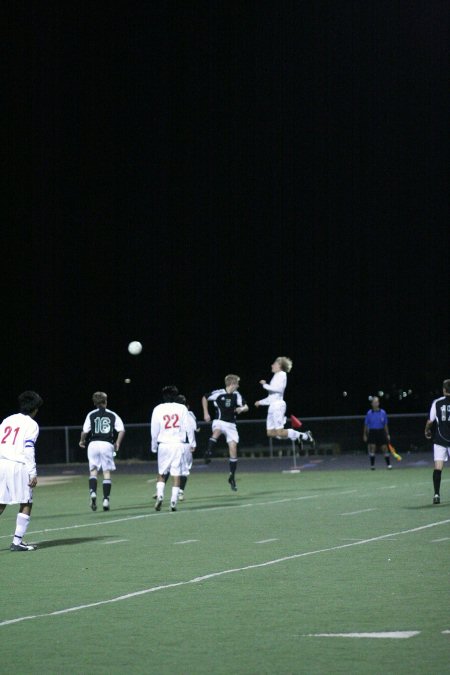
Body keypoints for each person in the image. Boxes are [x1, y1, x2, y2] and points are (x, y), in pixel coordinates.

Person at [0, 391, 43, 551]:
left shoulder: (7, 420)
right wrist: (33, 472)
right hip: (18, 465)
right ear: (35, 408)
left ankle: (18, 542)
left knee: (1, 502)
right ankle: (17, 542)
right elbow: (28, 448)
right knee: (26, 501)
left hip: (1, 463)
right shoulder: (32, 424)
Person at [79, 392, 125, 512]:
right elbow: (121, 430)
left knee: (93, 472)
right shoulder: (112, 414)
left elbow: (84, 431)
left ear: (94, 403)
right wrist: (118, 443)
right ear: (106, 401)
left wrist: (82, 441)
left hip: (93, 444)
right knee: (106, 473)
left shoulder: (91, 414)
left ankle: (93, 493)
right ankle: (106, 500)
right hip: (106, 444)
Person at [151, 386, 195, 512]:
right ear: (175, 396)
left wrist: (154, 446)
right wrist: (192, 443)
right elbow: (189, 427)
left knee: (162, 473)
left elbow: (154, 429)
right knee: (176, 473)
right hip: (178, 444)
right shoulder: (181, 408)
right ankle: (173, 501)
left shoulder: (158, 409)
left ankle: (160, 495)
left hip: (164, 444)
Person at [202, 374, 249, 491]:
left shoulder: (237, 395)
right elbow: (204, 398)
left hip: (231, 425)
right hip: (219, 421)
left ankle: (231, 476)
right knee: (217, 431)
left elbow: (246, 406)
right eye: (237, 383)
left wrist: (241, 409)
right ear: (232, 384)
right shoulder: (219, 393)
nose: (238, 385)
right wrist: (206, 413)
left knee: (233, 449)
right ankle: (208, 452)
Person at [254, 357, 314, 446]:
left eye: (274, 364)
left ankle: (305, 435)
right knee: (270, 433)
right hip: (272, 406)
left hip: (278, 406)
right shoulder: (275, 377)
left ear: (280, 366)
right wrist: (260, 402)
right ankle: (295, 437)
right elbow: (272, 397)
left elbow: (279, 389)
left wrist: (264, 385)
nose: (272, 365)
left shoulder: (282, 374)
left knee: (280, 432)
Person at [424, 379, 450, 504]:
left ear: (444, 390)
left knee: (438, 467)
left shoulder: (437, 402)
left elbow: (430, 421)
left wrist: (427, 431)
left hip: (440, 439)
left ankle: (436, 494)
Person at [363, 396, 392, 470]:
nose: (376, 403)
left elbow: (385, 425)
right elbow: (366, 425)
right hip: (372, 431)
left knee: (384, 448)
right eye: (374, 402)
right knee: (372, 448)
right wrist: (365, 435)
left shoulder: (383, 412)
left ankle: (388, 465)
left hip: (381, 431)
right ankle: (372, 465)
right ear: (372, 404)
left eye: (377, 402)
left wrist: (387, 434)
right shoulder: (369, 413)